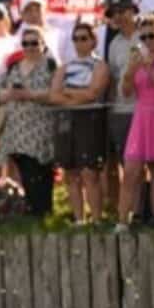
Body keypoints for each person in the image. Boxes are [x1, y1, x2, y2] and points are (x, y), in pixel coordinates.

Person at [0, 25, 58, 218]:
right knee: (25, 170)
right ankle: (32, 208)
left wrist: (29, 94)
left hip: (41, 126)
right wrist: (10, 93)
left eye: (34, 43)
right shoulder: (14, 66)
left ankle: (43, 210)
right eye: (25, 43)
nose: (29, 47)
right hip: (17, 129)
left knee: (41, 170)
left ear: (43, 44)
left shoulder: (50, 66)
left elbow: (55, 94)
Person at [50, 23, 109, 225]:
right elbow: (54, 95)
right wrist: (78, 96)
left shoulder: (99, 65)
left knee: (89, 172)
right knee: (71, 171)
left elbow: (94, 93)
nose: (79, 42)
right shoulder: (65, 66)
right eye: (76, 38)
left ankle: (97, 218)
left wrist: (69, 93)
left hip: (90, 119)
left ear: (93, 40)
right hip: (67, 119)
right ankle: (79, 219)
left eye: (84, 38)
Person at [116, 15, 154, 232]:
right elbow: (125, 93)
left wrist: (150, 67)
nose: (148, 40)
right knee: (131, 169)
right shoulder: (137, 58)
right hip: (141, 116)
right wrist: (130, 72)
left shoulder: (151, 60)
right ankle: (123, 219)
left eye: (152, 35)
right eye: (144, 36)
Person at [104, 0, 140, 212]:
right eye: (113, 14)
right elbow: (113, 77)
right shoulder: (114, 43)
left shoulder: (146, 35)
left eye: (121, 11)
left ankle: (146, 210)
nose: (117, 17)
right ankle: (133, 211)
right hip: (120, 109)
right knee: (126, 163)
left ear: (133, 11)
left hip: (146, 108)